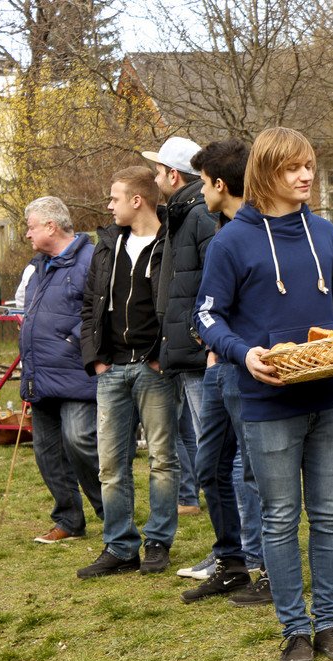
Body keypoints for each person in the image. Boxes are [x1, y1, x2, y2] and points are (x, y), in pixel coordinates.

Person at [195, 127, 333, 661]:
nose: (306, 175)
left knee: (329, 516)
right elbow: (206, 317)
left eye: (309, 165)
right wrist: (242, 353)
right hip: (268, 403)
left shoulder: (325, 233)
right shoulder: (231, 241)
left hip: (331, 397)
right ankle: (294, 630)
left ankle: (330, 624)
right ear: (266, 173)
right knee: (278, 518)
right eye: (293, 168)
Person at [77, 166, 180, 579]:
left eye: (114, 198)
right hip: (112, 369)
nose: (108, 206)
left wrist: (162, 355)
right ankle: (120, 547)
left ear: (137, 200)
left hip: (154, 369)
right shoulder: (107, 245)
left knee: (162, 460)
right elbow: (90, 305)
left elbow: (180, 303)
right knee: (110, 465)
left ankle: (157, 543)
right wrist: (96, 359)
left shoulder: (171, 242)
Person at [180, 138, 270, 606]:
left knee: (255, 473)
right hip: (219, 366)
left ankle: (268, 570)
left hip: (247, 369)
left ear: (220, 184)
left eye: (202, 182)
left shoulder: (260, 232)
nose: (200, 190)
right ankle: (231, 563)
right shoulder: (221, 231)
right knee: (210, 466)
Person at [19, 197, 104, 543]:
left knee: (79, 440)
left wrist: (71, 342)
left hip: (75, 371)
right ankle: (68, 520)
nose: (27, 234)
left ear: (51, 226)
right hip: (41, 375)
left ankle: (112, 512)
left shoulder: (91, 260)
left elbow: (98, 312)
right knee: (47, 452)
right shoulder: (38, 266)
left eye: (31, 227)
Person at [143, 136, 217, 517]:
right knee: (208, 447)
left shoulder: (199, 216)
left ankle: (239, 543)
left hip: (199, 352)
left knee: (215, 451)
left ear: (174, 175)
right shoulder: (182, 214)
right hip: (187, 350)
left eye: (158, 172)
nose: (155, 180)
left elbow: (213, 283)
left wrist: (198, 336)